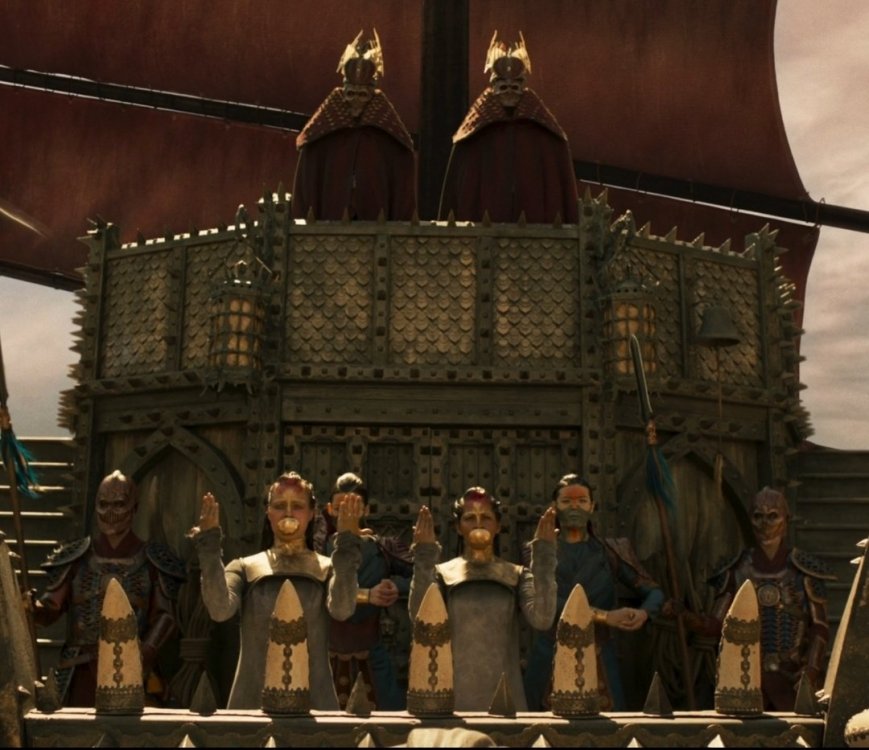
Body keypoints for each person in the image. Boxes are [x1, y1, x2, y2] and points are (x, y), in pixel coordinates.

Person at [189, 471, 363, 709]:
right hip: (252, 702)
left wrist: (347, 546)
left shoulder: (327, 568)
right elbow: (220, 610)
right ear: (268, 512)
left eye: (297, 506)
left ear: (312, 513)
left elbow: (342, 610)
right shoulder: (244, 567)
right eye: (280, 506)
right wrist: (209, 547)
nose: (288, 513)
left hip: (314, 702)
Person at [33, 470, 185, 706]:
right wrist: (31, 607)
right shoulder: (76, 557)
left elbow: (166, 617)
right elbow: (50, 609)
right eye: (103, 505)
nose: (110, 513)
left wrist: (144, 653)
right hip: (80, 671)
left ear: (134, 508)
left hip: (134, 671)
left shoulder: (153, 560)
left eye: (119, 504)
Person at [523, 474, 664, 711]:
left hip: (601, 654)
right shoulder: (537, 551)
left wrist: (644, 613)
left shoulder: (610, 551)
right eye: (567, 501)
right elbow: (547, 602)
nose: (575, 507)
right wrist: (606, 617)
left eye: (582, 501)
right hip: (549, 655)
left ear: (592, 506)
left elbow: (654, 592)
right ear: (554, 506)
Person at [685, 486, 833, 710]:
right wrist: (686, 617)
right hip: (744, 680)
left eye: (772, 516)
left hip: (792, 680)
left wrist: (811, 669)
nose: (765, 525)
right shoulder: (736, 569)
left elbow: (819, 629)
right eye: (758, 517)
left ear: (786, 519)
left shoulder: (805, 571)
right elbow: (718, 625)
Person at [409, 486, 557, 711]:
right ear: (458, 527)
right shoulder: (443, 574)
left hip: (505, 695)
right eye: (470, 518)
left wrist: (544, 556)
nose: (478, 524)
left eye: (486, 517)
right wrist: (424, 557)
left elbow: (542, 619)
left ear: (498, 526)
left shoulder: (515, 574)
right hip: (454, 695)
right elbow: (419, 617)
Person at [438, 31, 578, 224]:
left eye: (515, 84)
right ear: (493, 85)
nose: (509, 90)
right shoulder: (472, 137)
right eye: (503, 84)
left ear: (523, 85)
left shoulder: (547, 136)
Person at [291, 29, 416, 221]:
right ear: (344, 93)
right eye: (351, 94)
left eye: (362, 95)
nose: (356, 101)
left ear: (371, 96)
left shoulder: (389, 138)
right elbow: (306, 185)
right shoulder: (322, 134)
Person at [313, 472, 413, 709]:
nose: (347, 512)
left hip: (372, 651)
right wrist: (367, 595)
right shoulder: (319, 546)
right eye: (341, 507)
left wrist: (394, 587)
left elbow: (425, 576)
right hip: (325, 653)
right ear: (330, 509)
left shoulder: (383, 546)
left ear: (366, 510)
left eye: (354, 506)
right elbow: (317, 588)